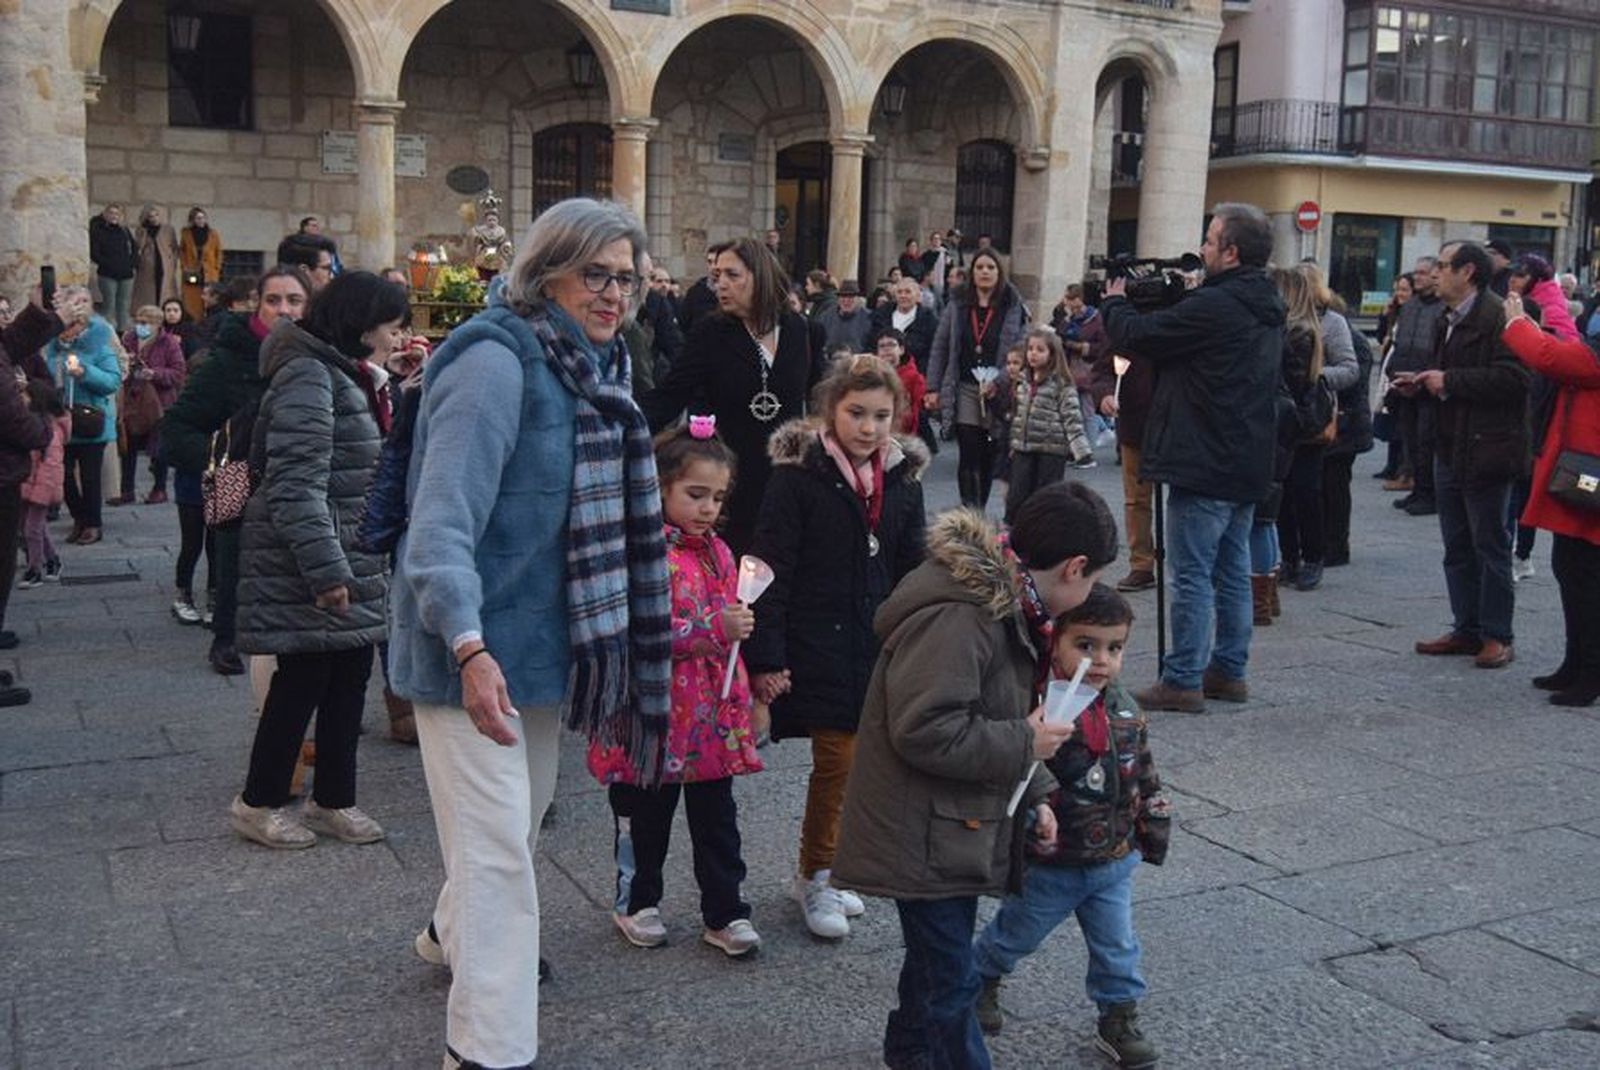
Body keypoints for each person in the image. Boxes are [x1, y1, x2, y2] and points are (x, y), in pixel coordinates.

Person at [390, 198, 671, 1070]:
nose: (614, 292)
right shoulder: (494, 363)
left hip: (546, 652)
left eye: (627, 277)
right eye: (596, 273)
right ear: (547, 270)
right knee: (502, 856)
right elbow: (438, 524)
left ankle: (446, 934)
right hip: (463, 650)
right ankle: (486, 1049)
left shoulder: (602, 365)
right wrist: (468, 649)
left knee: (513, 825)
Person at [833, 482, 1117, 1070]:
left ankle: (909, 1049)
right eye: (1090, 583)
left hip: (948, 822)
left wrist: (1035, 789)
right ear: (1074, 567)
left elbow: (1001, 710)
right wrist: (1025, 743)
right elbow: (926, 728)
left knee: (940, 959)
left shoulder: (1009, 608)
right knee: (952, 981)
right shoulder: (966, 616)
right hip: (922, 828)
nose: (1088, 595)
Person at [744, 355, 928, 939]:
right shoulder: (799, 477)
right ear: (830, 411)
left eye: (881, 415)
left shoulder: (901, 480)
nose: (869, 428)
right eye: (856, 413)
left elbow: (912, 564)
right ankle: (816, 872)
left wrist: (916, 635)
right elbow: (771, 567)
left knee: (861, 765)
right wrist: (766, 660)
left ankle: (832, 866)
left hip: (873, 643)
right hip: (815, 639)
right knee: (838, 761)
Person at [228, 271, 400, 852]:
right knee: (300, 681)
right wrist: (326, 570)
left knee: (349, 677)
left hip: (351, 548)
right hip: (315, 554)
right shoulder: (308, 374)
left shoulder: (343, 372)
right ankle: (259, 801)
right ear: (362, 324)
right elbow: (296, 485)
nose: (396, 335)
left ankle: (334, 799)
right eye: (391, 324)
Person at [972, 584, 1168, 1066]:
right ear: (1055, 642)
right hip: (1054, 862)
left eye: (1114, 647)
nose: (1101, 659)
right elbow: (1022, 766)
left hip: (1113, 860)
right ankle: (980, 978)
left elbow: (1140, 767)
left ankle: (1117, 1016)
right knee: (1017, 932)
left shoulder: (1124, 707)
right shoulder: (1044, 707)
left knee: (1117, 945)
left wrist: (1151, 819)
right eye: (1086, 645)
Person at [588, 420, 765, 955]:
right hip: (650, 714)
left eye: (717, 497)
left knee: (718, 820)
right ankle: (637, 900)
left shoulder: (720, 552)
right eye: (695, 494)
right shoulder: (639, 552)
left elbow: (727, 628)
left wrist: (746, 683)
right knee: (645, 819)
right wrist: (714, 629)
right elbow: (640, 632)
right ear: (659, 487)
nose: (708, 508)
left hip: (709, 717)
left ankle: (726, 910)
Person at [1101, 203, 1284, 712]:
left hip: (1204, 457)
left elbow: (1140, 338)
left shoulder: (1219, 305)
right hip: (1244, 457)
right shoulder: (1263, 300)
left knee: (1191, 573)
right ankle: (1229, 669)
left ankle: (1182, 677)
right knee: (1231, 569)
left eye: (1209, 240)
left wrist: (1114, 303)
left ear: (1230, 251)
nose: (1201, 249)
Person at [161, 265, 312, 675]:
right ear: (257, 305)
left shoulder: (315, 356)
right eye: (273, 300)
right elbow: (176, 428)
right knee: (231, 563)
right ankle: (225, 638)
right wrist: (223, 463)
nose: (284, 310)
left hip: (295, 481)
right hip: (234, 476)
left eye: (294, 301)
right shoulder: (226, 360)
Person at [642, 236, 822, 554]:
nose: (721, 285)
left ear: (760, 275)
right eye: (717, 277)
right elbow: (669, 396)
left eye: (732, 275)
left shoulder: (796, 328)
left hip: (787, 479)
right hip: (733, 481)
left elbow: (812, 396)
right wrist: (621, 423)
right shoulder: (710, 333)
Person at [1396, 241, 1529, 671]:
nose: (1435, 273)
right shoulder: (1445, 317)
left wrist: (1449, 379)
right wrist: (1423, 382)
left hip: (1488, 446)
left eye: (1444, 265)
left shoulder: (1497, 316)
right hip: (1450, 444)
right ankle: (1466, 627)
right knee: (1456, 544)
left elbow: (1515, 378)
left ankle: (1497, 635)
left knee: (1489, 543)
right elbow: (1447, 375)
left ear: (1468, 271)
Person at [1501, 291, 1600, 706]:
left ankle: (1590, 673)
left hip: (1590, 473)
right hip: (1582, 470)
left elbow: (1551, 357)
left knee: (1587, 578)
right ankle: (1575, 664)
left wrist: (1518, 323)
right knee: (1570, 567)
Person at [927, 248, 1026, 509]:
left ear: (999, 273)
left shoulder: (1012, 306)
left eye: (990, 267)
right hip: (965, 387)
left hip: (997, 389)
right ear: (972, 273)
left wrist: (1001, 380)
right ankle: (969, 508)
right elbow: (940, 346)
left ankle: (980, 506)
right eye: (980, 267)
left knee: (988, 452)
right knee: (968, 450)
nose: (985, 272)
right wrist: (933, 387)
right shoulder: (958, 304)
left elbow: (1020, 350)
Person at [42, 286, 120, 547]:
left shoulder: (99, 345)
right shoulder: (53, 349)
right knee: (63, 477)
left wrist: (85, 373)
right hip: (62, 421)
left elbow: (112, 381)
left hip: (90, 420)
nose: (69, 332)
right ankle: (78, 517)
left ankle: (93, 524)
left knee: (89, 477)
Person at [1006, 327, 1092, 523]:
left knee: (1046, 498)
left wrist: (1081, 450)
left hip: (1051, 450)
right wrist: (1013, 442)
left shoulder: (1062, 383)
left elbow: (1072, 417)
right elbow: (1017, 415)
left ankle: (1044, 535)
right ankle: (1014, 534)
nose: (1033, 354)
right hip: (1024, 448)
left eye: (1040, 350)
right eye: (1030, 349)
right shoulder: (1023, 381)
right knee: (1016, 497)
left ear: (1052, 354)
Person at [1387, 256, 1446, 516]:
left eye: (1424, 273)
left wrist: (1422, 377)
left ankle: (1428, 492)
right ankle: (1416, 487)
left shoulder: (1443, 308)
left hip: (1426, 383)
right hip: (1404, 381)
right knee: (1409, 437)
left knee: (1426, 441)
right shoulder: (1410, 306)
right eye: (1416, 272)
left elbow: (1439, 349)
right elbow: (1400, 342)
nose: (1418, 277)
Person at [112, 304, 186, 506]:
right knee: (129, 446)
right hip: (133, 400)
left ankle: (159, 488)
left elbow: (178, 373)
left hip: (159, 402)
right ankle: (126, 489)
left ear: (156, 324)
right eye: (137, 321)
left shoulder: (168, 343)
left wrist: (155, 374)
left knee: (157, 448)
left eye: (144, 323)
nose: (140, 326)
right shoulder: (128, 340)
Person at [18, 381, 69, 590]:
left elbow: (50, 466)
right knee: (36, 528)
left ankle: (34, 569)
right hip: (29, 484)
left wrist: (41, 492)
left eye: (25, 395)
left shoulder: (49, 431)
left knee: (32, 529)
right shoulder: (34, 424)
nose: (21, 399)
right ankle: (53, 560)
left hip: (42, 487)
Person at [1374, 273, 1414, 485]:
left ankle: (1402, 468)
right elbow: (1382, 336)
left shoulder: (1414, 313)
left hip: (1401, 368)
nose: (1400, 294)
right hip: (1388, 365)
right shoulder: (1395, 312)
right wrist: (1384, 315)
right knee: (1388, 415)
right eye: (1398, 289)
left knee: (1399, 420)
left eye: (1405, 289)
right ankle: (1391, 465)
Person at [1509, 254, 1579, 343]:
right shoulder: (1526, 300)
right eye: (1512, 274)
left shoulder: (1550, 309)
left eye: (1520, 275)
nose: (1512, 279)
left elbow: (1567, 347)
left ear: (1538, 280)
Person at [89, 204, 137, 332]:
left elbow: (134, 248)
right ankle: (107, 334)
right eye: (111, 213)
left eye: (117, 214)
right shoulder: (99, 231)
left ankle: (122, 332)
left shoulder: (125, 231)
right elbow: (95, 253)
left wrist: (131, 264)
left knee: (123, 305)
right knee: (109, 305)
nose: (114, 216)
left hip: (126, 274)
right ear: (106, 215)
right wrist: (108, 263)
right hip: (107, 274)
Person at [131, 204, 182, 311]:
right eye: (151, 216)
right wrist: (144, 231)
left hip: (165, 264)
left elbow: (174, 247)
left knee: (166, 290)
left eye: (156, 215)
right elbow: (138, 246)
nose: (154, 218)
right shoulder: (142, 230)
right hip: (148, 265)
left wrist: (172, 262)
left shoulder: (168, 229)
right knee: (148, 291)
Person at [877, 330, 925, 436]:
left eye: (891, 344)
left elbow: (920, 410)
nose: (886, 349)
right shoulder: (873, 377)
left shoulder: (914, 377)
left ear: (901, 350)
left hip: (906, 435)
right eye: (882, 346)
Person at [179, 207, 223, 322]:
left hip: (209, 271)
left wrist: (217, 267)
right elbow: (182, 251)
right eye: (198, 218)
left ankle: (210, 320)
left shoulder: (213, 234)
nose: (201, 220)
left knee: (210, 296)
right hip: (192, 270)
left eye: (203, 217)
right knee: (193, 298)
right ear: (193, 220)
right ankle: (194, 320)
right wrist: (184, 266)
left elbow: (218, 251)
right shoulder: (186, 234)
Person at [816, 279, 874, 354]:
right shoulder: (826, 317)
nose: (846, 301)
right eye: (843, 296)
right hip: (831, 362)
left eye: (851, 297)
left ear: (858, 299)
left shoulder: (870, 318)